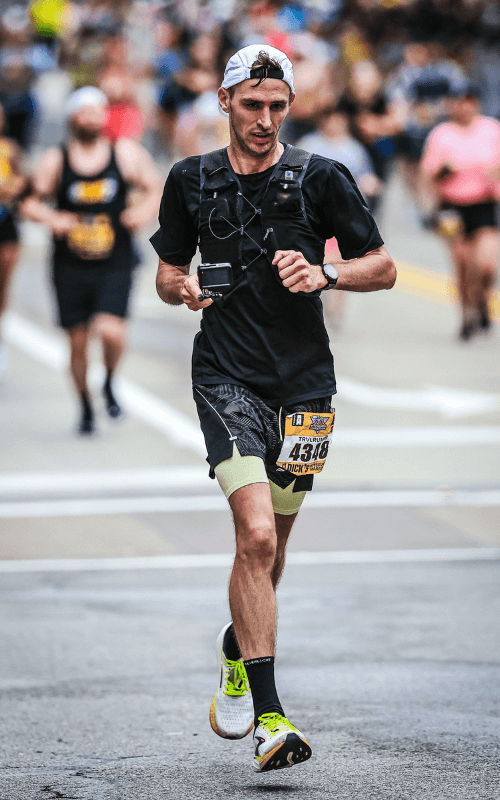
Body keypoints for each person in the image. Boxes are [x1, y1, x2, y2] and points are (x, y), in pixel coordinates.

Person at [152, 44, 396, 773]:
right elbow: (166, 274)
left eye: (277, 106)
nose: (264, 119)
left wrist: (326, 271)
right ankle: (270, 719)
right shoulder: (188, 179)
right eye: (251, 105)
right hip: (225, 376)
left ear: (289, 107)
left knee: (274, 545)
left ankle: (236, 647)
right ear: (224, 102)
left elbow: (381, 267)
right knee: (254, 534)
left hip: (306, 386)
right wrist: (183, 290)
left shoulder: (321, 176)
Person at [22, 86, 162, 433]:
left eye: (96, 111)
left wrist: (141, 212)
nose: (91, 117)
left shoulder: (124, 154)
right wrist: (53, 219)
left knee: (112, 330)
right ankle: (84, 404)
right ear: (73, 117)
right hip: (70, 262)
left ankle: (111, 381)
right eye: (84, 111)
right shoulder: (57, 160)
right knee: (78, 341)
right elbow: (30, 202)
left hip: (115, 258)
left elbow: (156, 187)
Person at [420, 81, 500, 340]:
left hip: (483, 203)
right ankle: (467, 313)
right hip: (452, 206)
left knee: (486, 264)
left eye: (469, 101)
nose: (464, 107)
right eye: (459, 102)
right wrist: (446, 171)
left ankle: (483, 298)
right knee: (463, 262)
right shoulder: (442, 134)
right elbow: (428, 174)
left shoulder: (491, 130)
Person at [0, 101, 26, 379]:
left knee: (2, 288)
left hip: (5, 225)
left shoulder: (9, 148)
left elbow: (21, 182)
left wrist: (14, 187)